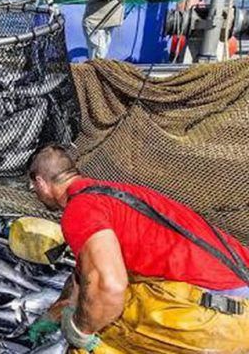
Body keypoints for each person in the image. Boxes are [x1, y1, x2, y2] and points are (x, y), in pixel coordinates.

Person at [26, 144, 249, 353]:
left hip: (221, 317)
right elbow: (84, 276)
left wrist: (80, 332)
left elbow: (109, 287)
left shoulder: (79, 210)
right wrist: (55, 312)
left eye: (33, 186)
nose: (34, 193)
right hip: (238, 289)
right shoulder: (113, 193)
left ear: (42, 183)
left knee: (95, 337)